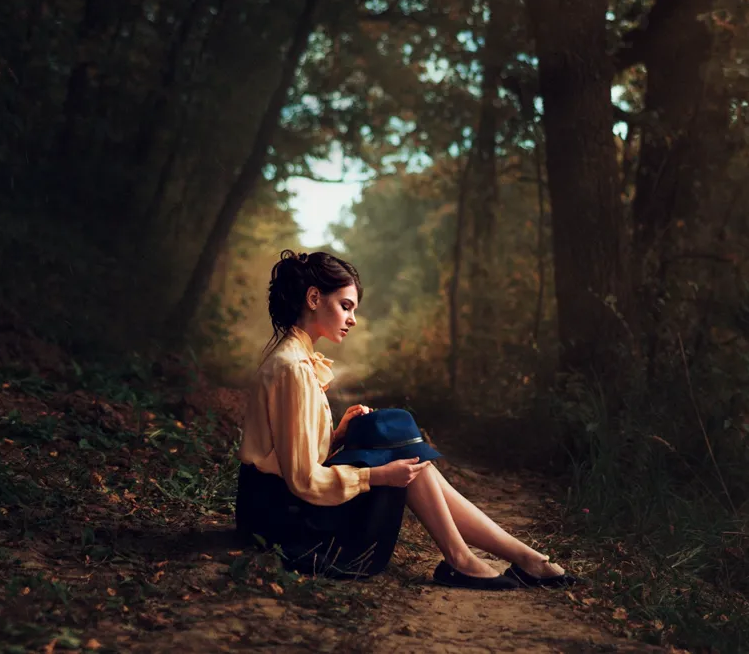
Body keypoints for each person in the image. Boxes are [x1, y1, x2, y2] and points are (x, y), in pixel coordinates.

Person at [236, 249, 577, 589]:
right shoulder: (293, 368)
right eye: (346, 306)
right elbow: (303, 480)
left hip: (281, 507)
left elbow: (294, 456)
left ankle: (513, 558)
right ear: (313, 298)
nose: (353, 319)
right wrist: (377, 476)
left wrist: (338, 435)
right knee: (398, 444)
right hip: (283, 524)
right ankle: (474, 559)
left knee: (398, 441)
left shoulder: (296, 360)